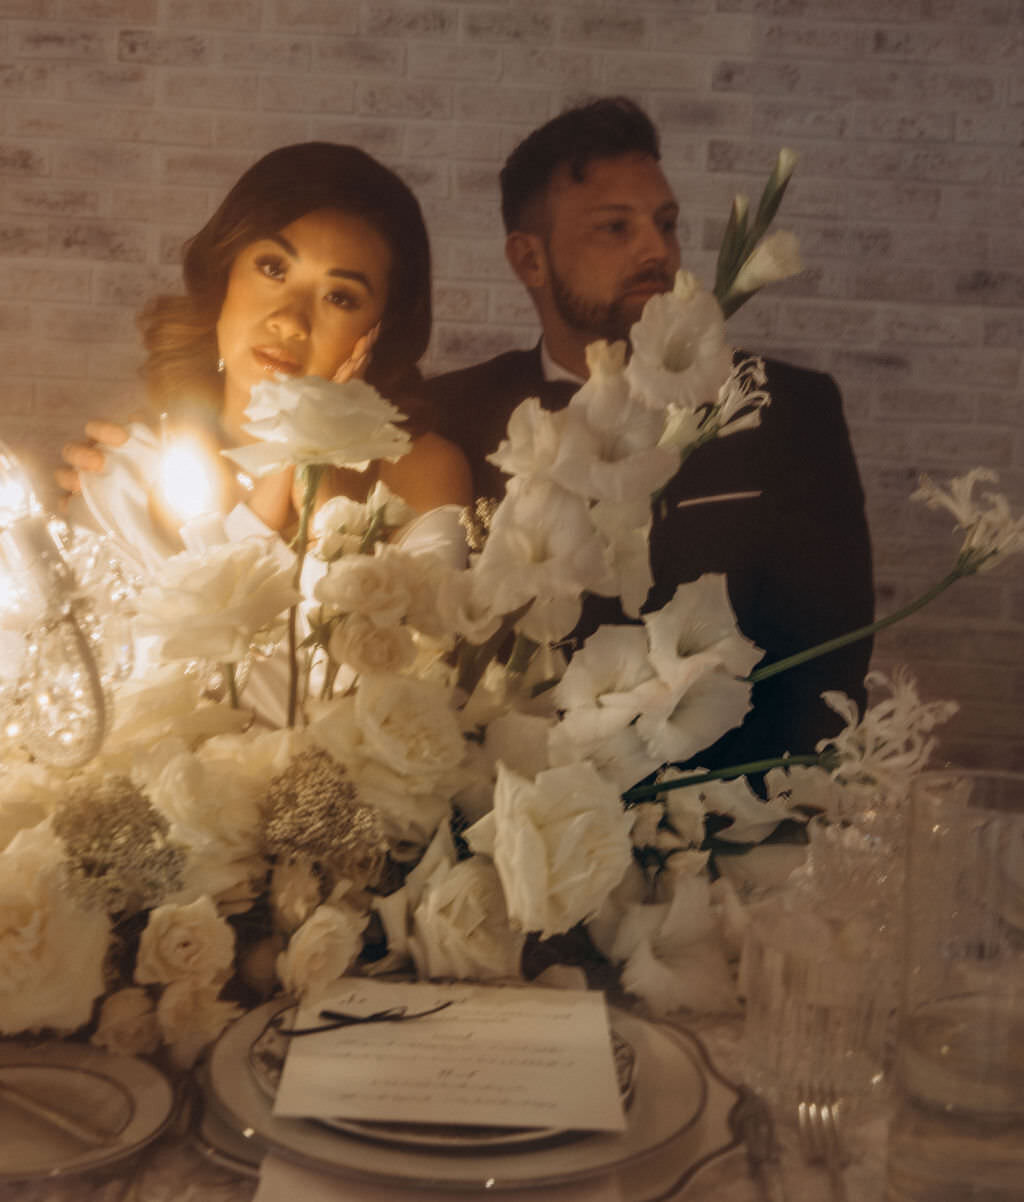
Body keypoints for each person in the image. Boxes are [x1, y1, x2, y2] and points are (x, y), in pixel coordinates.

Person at [422, 97, 875, 773]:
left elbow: (825, 674)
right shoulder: (452, 419)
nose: (656, 250)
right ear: (529, 261)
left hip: (727, 831)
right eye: (615, 227)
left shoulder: (783, 410)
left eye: (666, 224)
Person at [57, 142, 471, 568]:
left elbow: (420, 636)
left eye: (340, 297)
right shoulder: (130, 472)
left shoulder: (420, 471)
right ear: (224, 275)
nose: (291, 320)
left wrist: (319, 496)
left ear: (381, 329)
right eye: (274, 269)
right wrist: (267, 503)